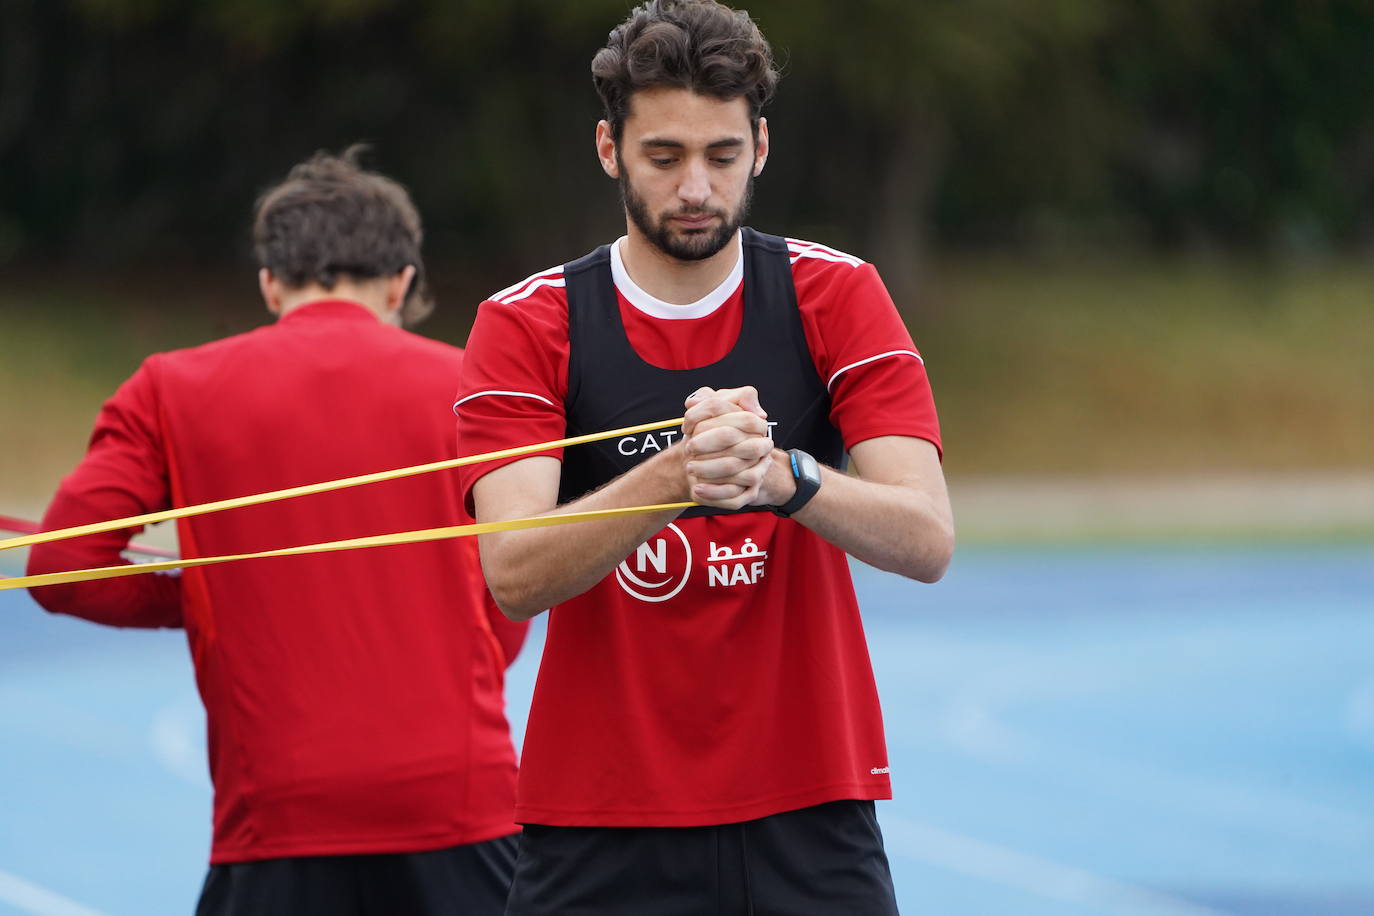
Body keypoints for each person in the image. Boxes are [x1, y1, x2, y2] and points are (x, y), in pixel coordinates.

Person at [452, 1, 956, 912]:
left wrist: (784, 478)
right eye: (664, 156)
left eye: (721, 156)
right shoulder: (528, 322)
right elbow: (512, 571)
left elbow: (926, 539)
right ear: (609, 149)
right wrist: (675, 475)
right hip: (597, 816)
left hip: (810, 805)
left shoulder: (836, 294)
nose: (696, 187)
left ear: (760, 147)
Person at [27, 147, 527, 916]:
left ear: (269, 282)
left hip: (280, 813)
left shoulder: (172, 387)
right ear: (401, 284)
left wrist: (204, 592)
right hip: (457, 804)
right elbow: (516, 581)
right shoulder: (468, 383)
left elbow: (64, 566)